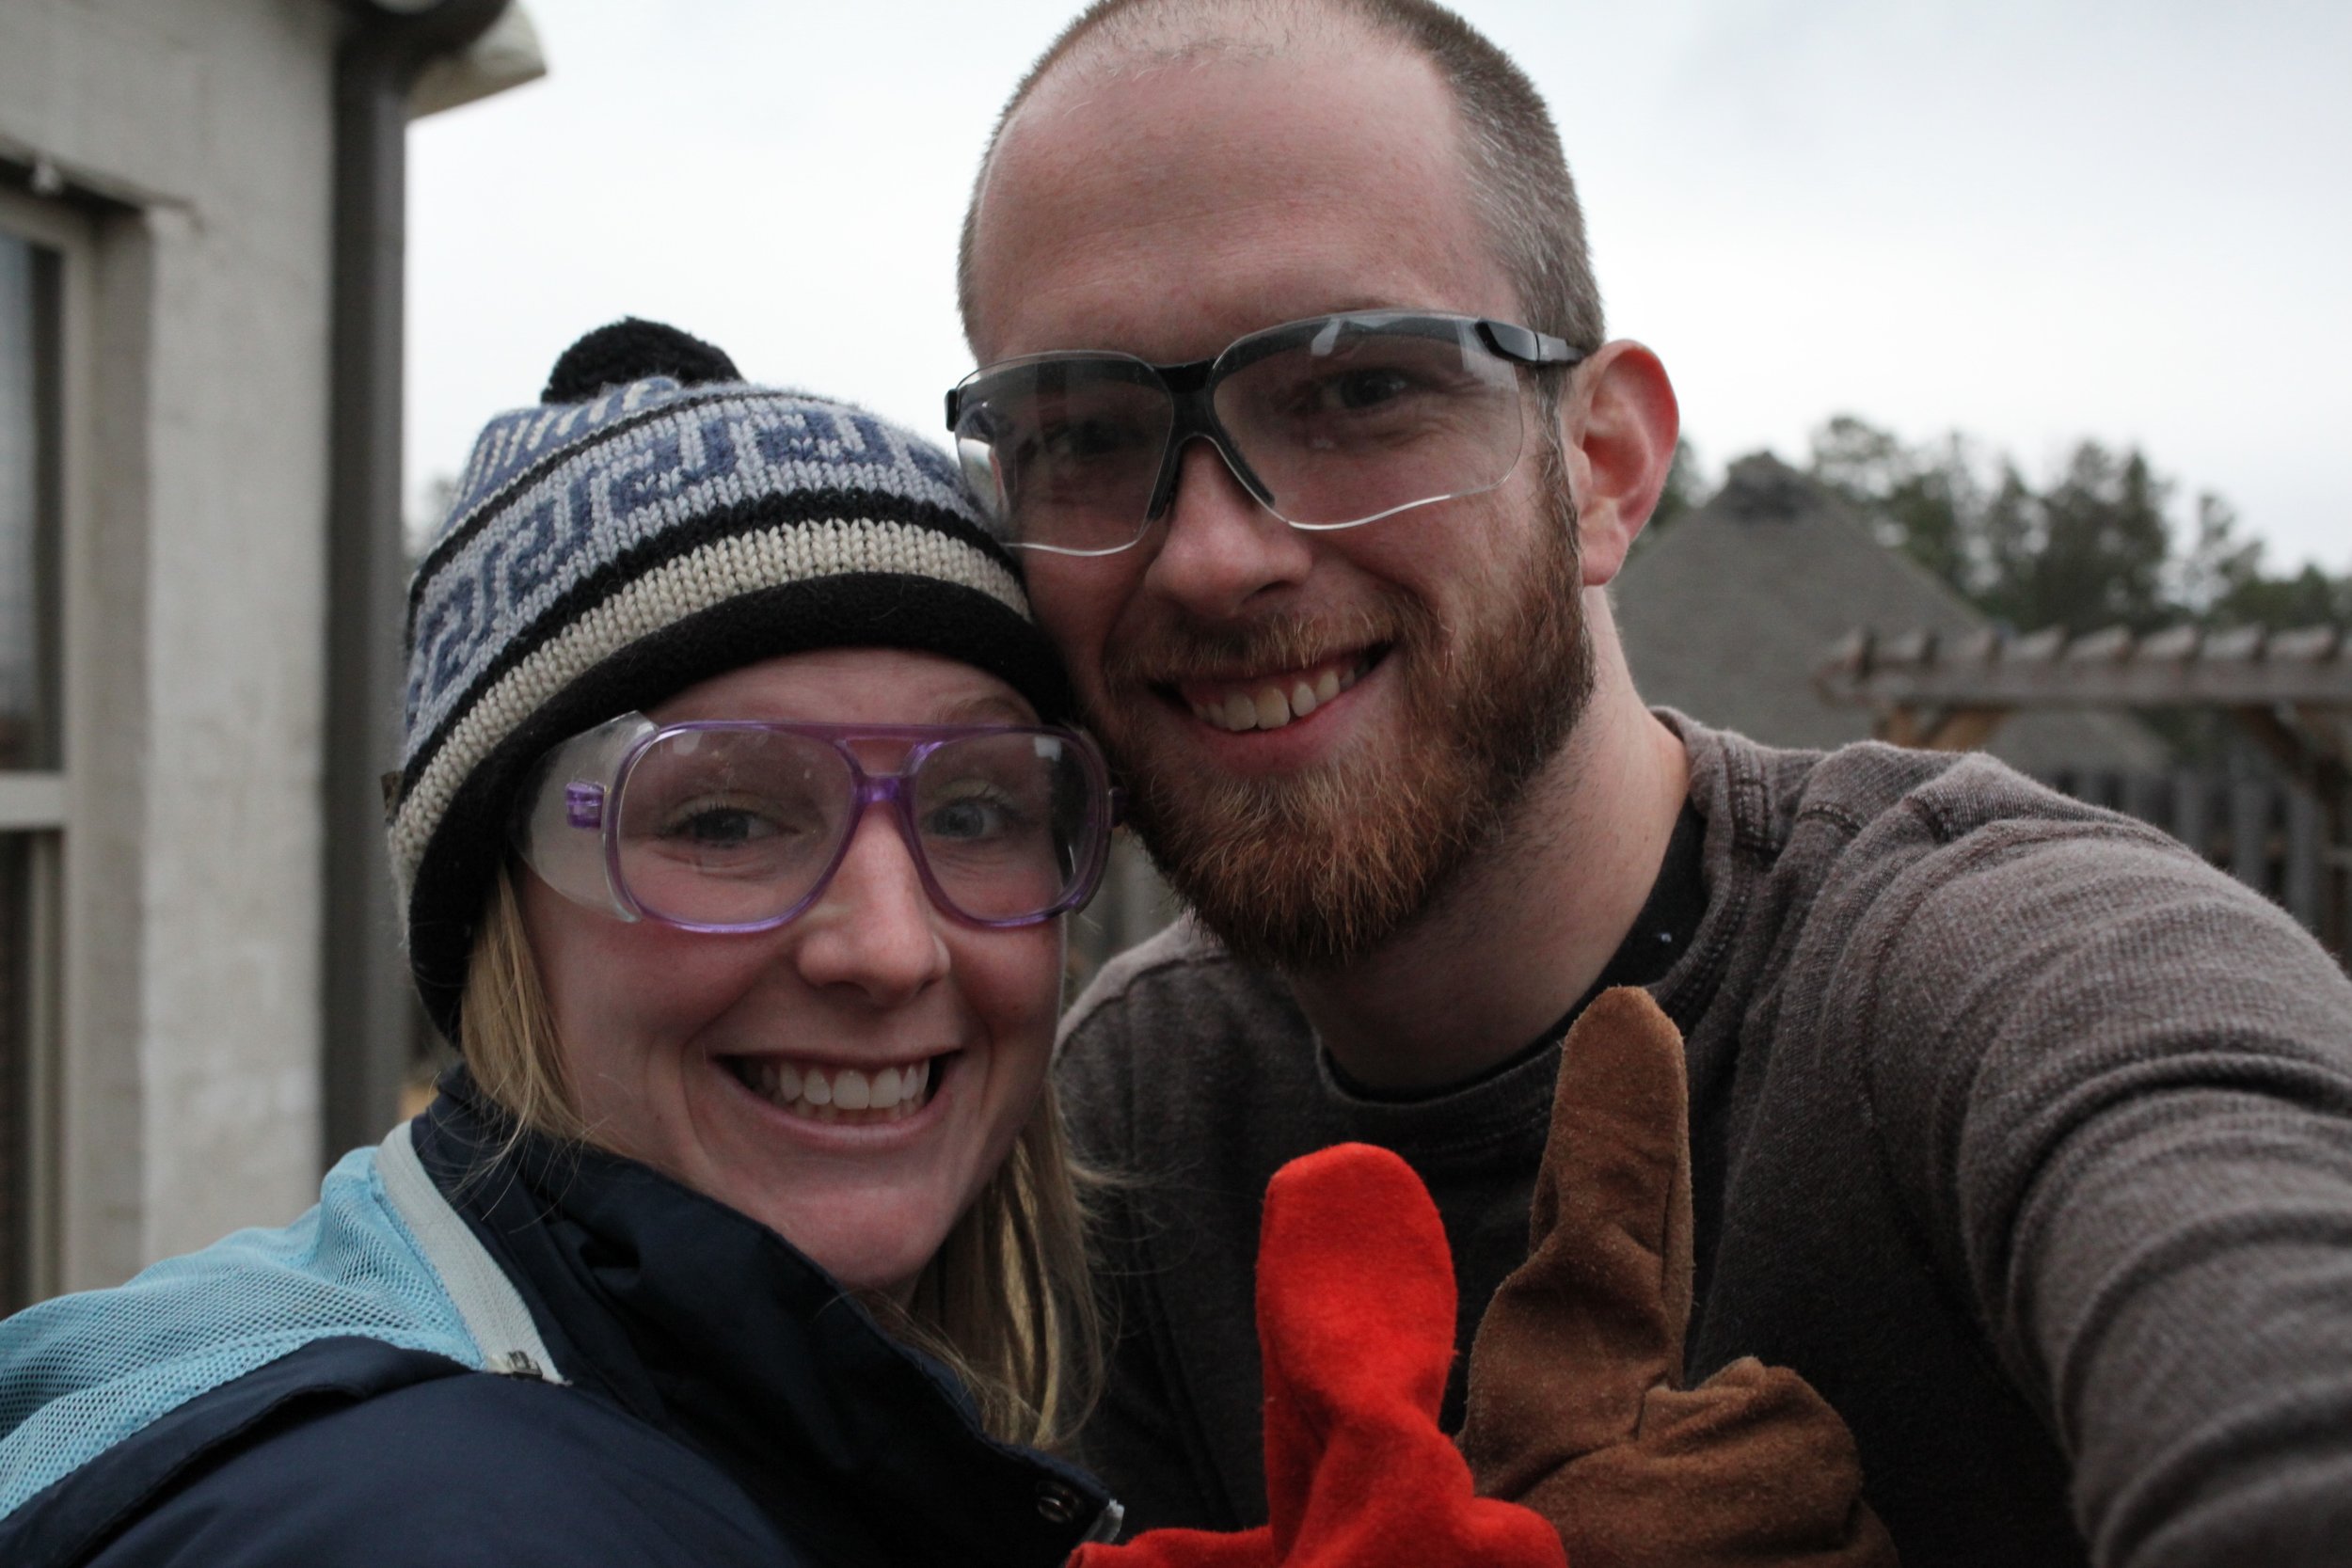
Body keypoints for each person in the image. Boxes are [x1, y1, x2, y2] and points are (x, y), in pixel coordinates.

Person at [946, 4, 2352, 1566]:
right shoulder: (1121, 1123)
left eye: (1356, 393)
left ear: (1605, 464)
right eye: (1081, 435)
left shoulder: (2016, 979)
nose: (1213, 554)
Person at [0, 320, 1127, 1567]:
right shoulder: (434, 1521)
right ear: (499, 903)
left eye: (974, 812)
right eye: (725, 816)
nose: (891, 947)